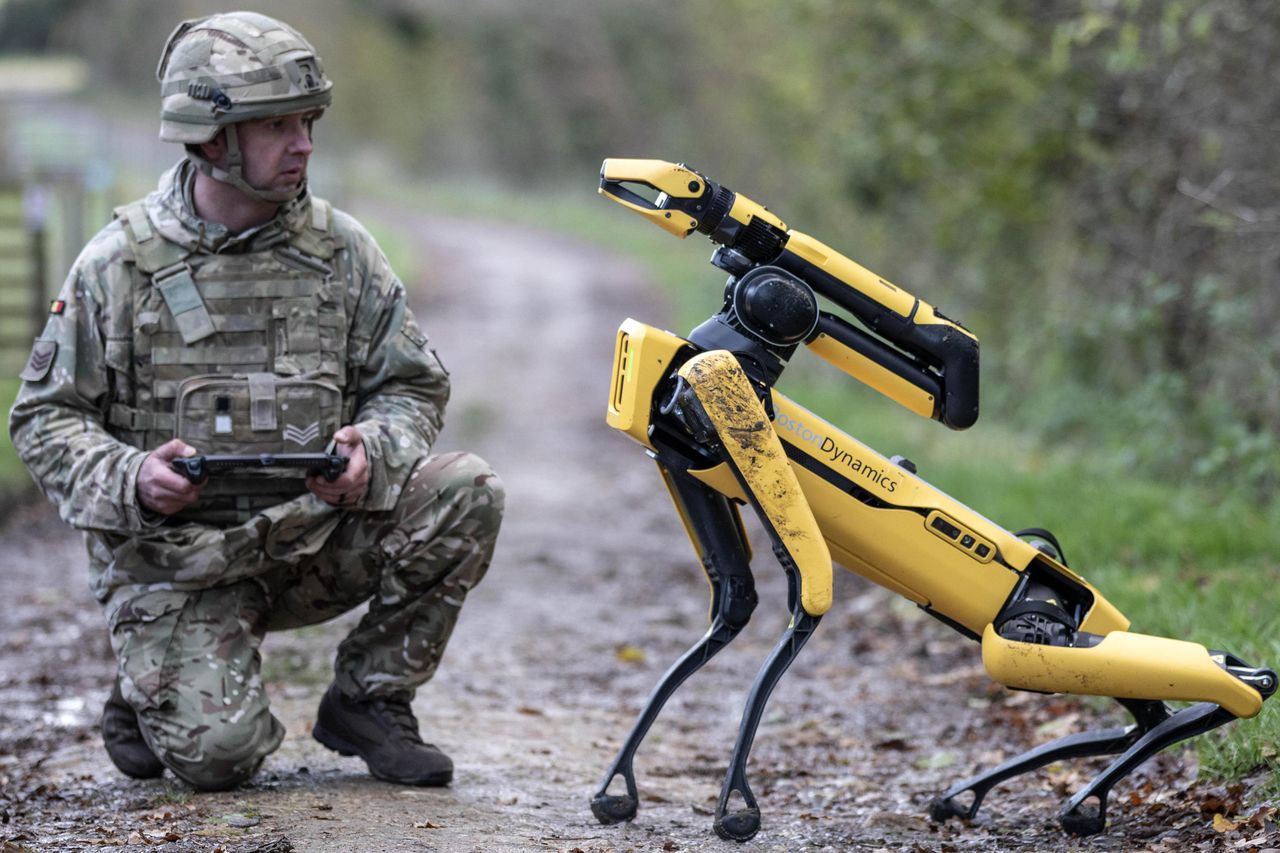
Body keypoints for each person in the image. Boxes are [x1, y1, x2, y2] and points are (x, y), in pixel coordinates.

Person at [8, 11, 504, 792]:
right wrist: (132, 477)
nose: (304, 143)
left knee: (466, 489)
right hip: (181, 561)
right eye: (277, 125)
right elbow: (43, 417)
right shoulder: (118, 266)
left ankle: (369, 699)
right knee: (219, 760)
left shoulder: (342, 253)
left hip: (310, 537)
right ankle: (151, 680)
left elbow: (410, 385)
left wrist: (373, 451)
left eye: (307, 121)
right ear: (211, 138)